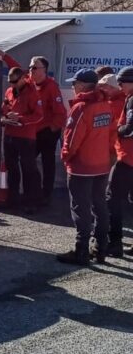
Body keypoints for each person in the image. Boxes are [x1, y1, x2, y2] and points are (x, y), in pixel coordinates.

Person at [0, 50, 66, 203]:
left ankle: (46, 194)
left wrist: (53, 129)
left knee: (47, 162)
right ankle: (27, 195)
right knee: (28, 164)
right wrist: (4, 56)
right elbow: (16, 69)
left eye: (34, 67)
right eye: (30, 67)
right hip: (31, 129)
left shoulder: (51, 86)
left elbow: (60, 112)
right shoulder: (28, 80)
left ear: (44, 70)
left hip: (47, 130)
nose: (31, 70)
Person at [57, 68, 116, 265]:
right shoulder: (105, 105)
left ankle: (81, 251)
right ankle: (100, 249)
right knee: (100, 206)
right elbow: (112, 135)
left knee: (80, 209)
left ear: (82, 85)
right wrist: (109, 157)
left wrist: (66, 158)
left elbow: (72, 139)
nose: (73, 87)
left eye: (74, 83)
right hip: (101, 165)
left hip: (82, 167)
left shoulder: (81, 108)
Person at [0, 66, 43, 212]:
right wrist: (4, 117)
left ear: (23, 79)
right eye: (10, 81)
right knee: (11, 168)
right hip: (10, 133)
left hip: (26, 136)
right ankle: (13, 199)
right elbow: (4, 108)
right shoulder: (9, 91)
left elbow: (39, 116)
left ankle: (31, 201)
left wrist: (20, 118)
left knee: (28, 169)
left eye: (14, 81)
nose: (12, 84)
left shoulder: (32, 93)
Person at [106, 66, 133, 257]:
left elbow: (130, 129)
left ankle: (114, 243)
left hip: (127, 158)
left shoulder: (132, 100)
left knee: (112, 198)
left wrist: (115, 129)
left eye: (122, 82)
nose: (120, 86)